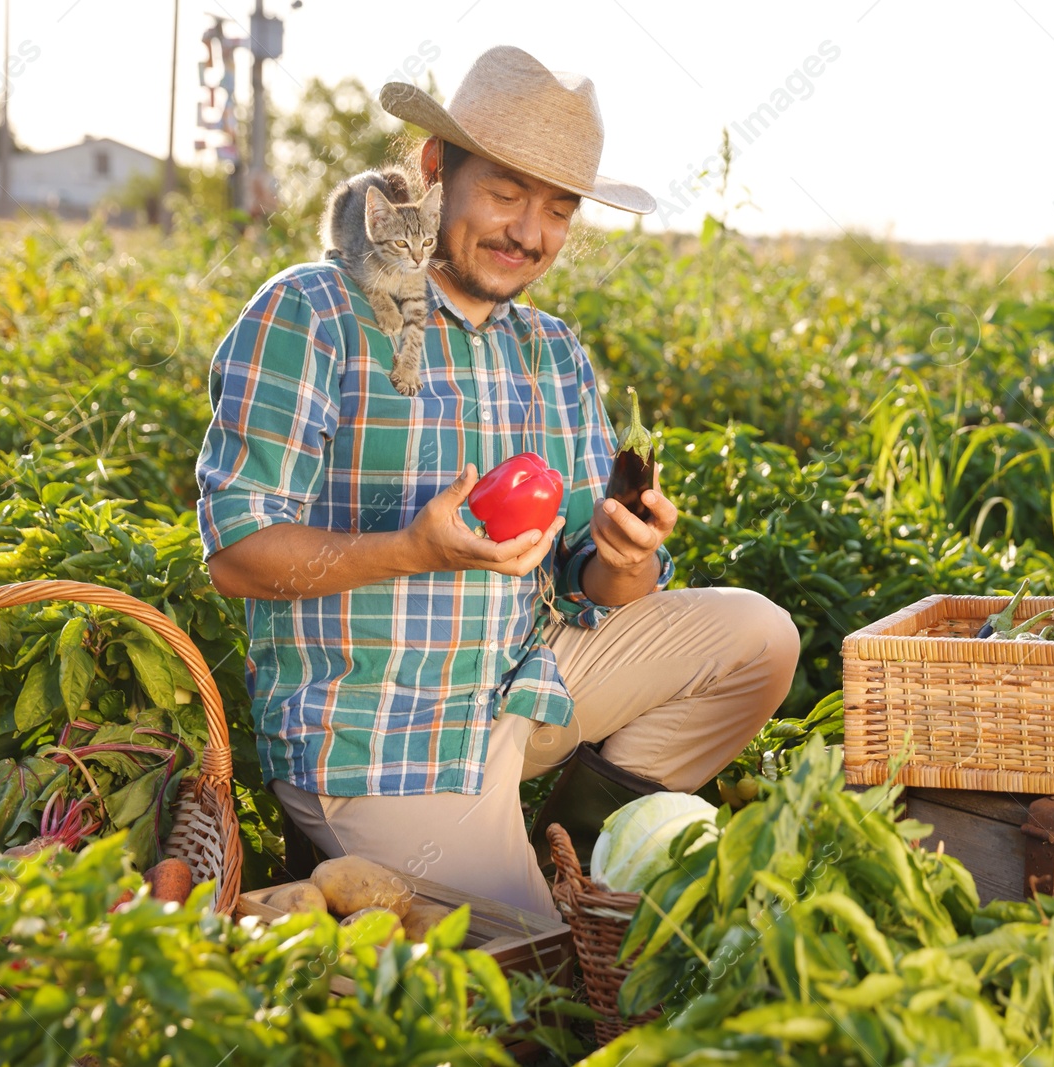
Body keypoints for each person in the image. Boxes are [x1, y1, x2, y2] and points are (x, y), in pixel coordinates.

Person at [194, 45, 799, 916]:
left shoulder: (550, 352)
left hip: (523, 682)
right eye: (507, 194)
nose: (530, 232)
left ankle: (575, 857)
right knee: (534, 983)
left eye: (557, 209)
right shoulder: (314, 312)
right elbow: (239, 554)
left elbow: (599, 584)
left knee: (759, 638)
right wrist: (411, 550)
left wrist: (627, 554)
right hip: (382, 731)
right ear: (436, 169)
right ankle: (497, 896)